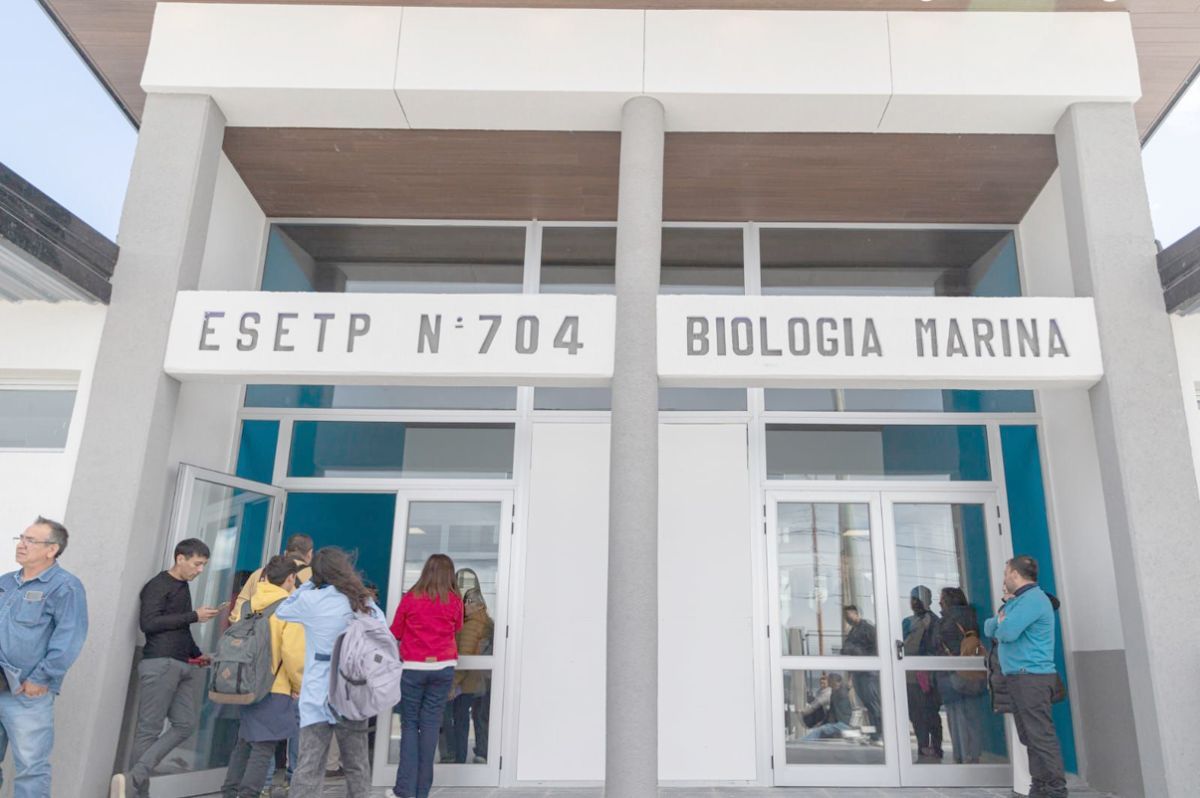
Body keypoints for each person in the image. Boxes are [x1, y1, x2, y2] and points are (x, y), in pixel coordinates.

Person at [113, 538, 222, 798]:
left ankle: (135, 778)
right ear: (180, 558)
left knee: (185, 724)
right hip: (159, 663)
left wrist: (197, 654)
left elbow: (180, 629)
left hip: (182, 664)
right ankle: (138, 792)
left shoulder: (182, 587)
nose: (200, 570)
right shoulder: (158, 584)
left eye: (204, 565)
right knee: (149, 730)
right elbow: (148, 624)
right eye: (197, 564)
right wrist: (194, 616)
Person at [276, 547, 381, 798]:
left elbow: (283, 609)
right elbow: (382, 635)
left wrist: (308, 584)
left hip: (317, 696)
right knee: (356, 765)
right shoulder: (364, 602)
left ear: (318, 574)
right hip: (352, 693)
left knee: (309, 765)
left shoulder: (312, 600)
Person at [0, 517, 87, 798]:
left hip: (27, 693)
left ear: (52, 549)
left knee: (30, 767)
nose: (21, 545)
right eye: (21, 538)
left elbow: (70, 637)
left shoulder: (66, 587)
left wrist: (41, 678)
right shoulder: (6, 583)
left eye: (30, 540)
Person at [221, 556, 305, 798]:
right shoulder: (289, 607)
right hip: (274, 686)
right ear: (290, 578)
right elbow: (293, 653)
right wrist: (298, 684)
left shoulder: (248, 605)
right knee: (264, 747)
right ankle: (248, 794)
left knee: (245, 742)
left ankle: (230, 791)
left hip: (245, 682)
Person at [984, 555, 1067, 798]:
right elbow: (990, 627)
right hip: (1018, 678)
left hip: (1031, 678)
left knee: (1041, 736)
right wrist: (1001, 619)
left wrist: (1001, 622)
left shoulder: (1033, 600)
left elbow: (1007, 632)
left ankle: (1054, 790)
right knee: (1029, 736)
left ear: (1015, 575)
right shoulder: (1016, 602)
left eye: (1006, 573)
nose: (1004, 578)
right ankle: (1039, 786)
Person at [391, 554, 463, 798]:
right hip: (443, 667)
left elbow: (396, 631)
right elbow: (457, 628)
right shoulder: (454, 600)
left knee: (410, 724)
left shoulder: (410, 598)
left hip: (413, 667)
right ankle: (422, 791)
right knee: (431, 724)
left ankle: (405, 790)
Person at [935, 587, 985, 764]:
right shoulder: (972, 616)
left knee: (956, 716)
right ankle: (974, 754)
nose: (939, 601)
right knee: (972, 715)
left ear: (948, 600)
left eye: (941, 598)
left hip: (952, 673)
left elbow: (937, 644)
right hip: (973, 673)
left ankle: (961, 755)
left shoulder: (946, 620)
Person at [449, 587, 493, 764]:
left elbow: (464, 657)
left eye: (470, 601)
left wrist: (454, 683)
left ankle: (459, 758)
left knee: (460, 721)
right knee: (481, 717)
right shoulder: (489, 624)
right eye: (464, 601)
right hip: (483, 682)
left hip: (467, 683)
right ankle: (482, 751)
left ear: (480, 605)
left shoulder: (470, 626)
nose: (465, 605)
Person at [230, 534, 314, 623]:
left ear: (285, 553)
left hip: (255, 633)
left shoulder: (260, 573)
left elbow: (236, 613)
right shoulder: (315, 578)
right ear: (309, 554)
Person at [903, 585, 943, 761]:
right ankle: (926, 746)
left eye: (916, 599)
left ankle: (932, 746)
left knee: (927, 712)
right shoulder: (911, 622)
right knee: (921, 712)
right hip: (917, 673)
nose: (913, 603)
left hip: (925, 674)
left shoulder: (933, 622)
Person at [841, 605, 882, 742]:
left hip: (868, 672)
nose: (847, 619)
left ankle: (880, 733)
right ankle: (874, 734)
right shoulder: (853, 631)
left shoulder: (867, 629)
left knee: (873, 704)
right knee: (868, 704)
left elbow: (877, 647)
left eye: (848, 616)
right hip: (858, 672)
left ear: (856, 613)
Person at [801, 672, 856, 740]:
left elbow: (817, 705)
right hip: (839, 723)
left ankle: (804, 741)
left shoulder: (842, 693)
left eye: (830, 681)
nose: (829, 684)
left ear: (834, 682)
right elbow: (831, 711)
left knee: (820, 730)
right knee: (820, 730)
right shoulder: (834, 692)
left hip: (844, 724)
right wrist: (822, 723)